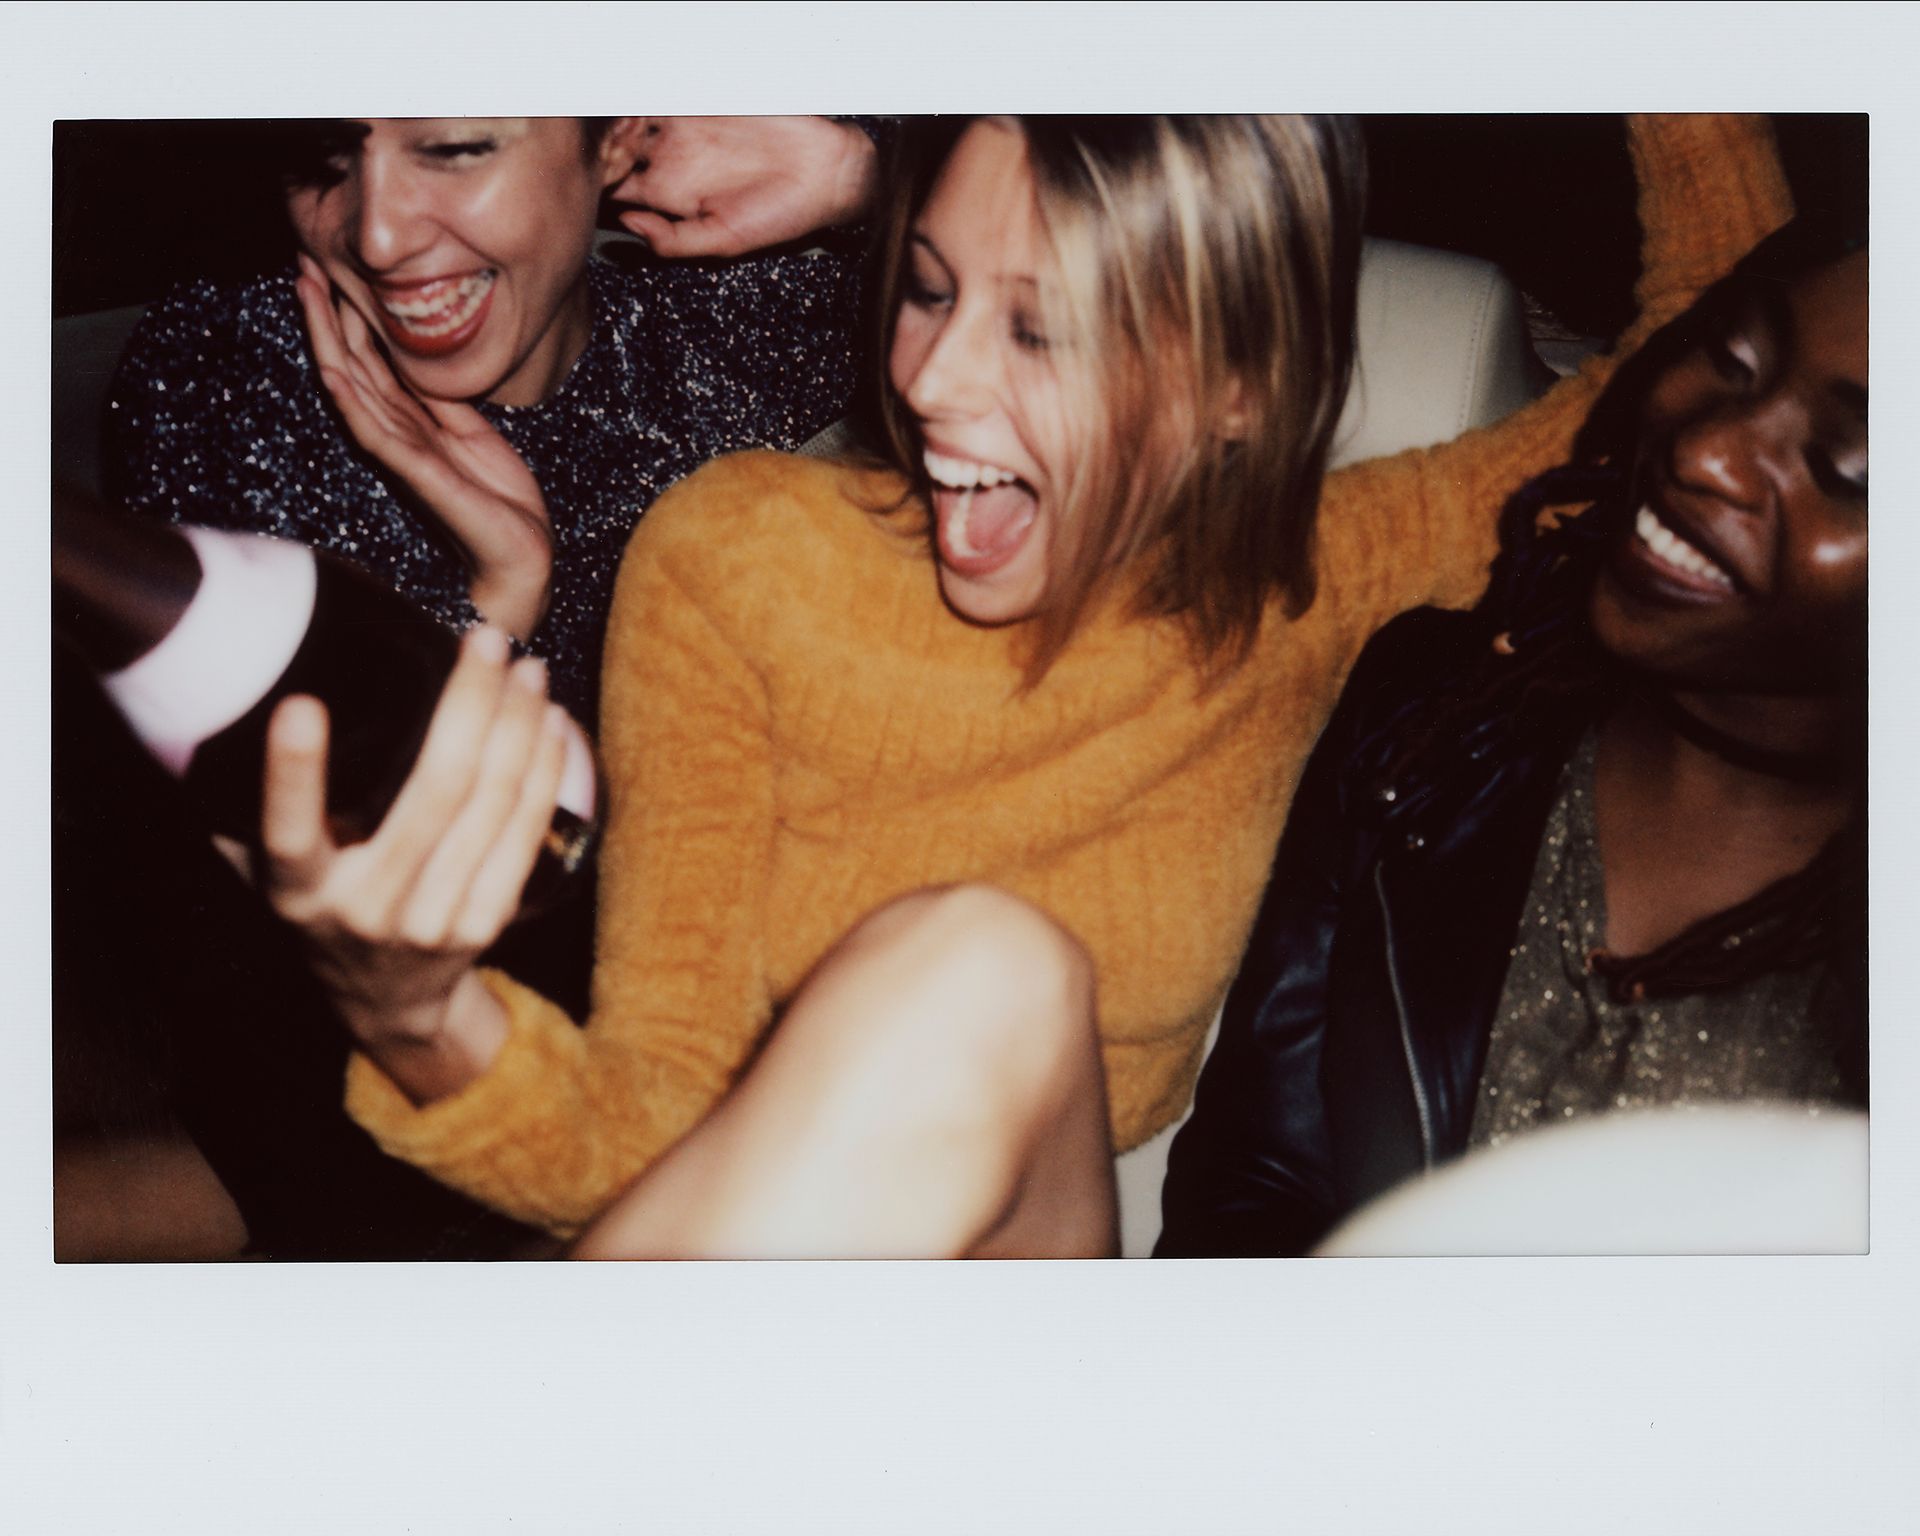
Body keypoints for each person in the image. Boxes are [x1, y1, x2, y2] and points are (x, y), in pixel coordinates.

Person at [249, 114, 1787, 1257]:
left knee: (988, 966)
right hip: (738, 1251)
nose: (930, 382)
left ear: (1240, 391)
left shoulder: (1308, 580)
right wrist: (419, 1014)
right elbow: (648, 1131)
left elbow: (1716, 337)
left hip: (1031, 1301)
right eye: (927, 292)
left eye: (1040, 328)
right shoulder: (740, 560)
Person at [57, 116, 880, 1260]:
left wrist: (862, 164)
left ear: (615, 140)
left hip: (671, 1008)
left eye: (453, 150)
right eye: (322, 164)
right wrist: (495, 607)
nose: (379, 235)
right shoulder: (227, 376)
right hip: (355, 1033)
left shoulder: (748, 324)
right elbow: (328, 877)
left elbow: (1072, 270)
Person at [1155, 214, 1867, 1258]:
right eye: (1732, 357)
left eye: (1846, 467)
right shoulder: (1434, 721)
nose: (1705, 450)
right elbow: (1258, 1182)